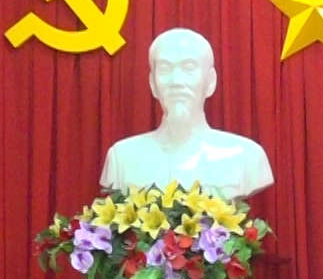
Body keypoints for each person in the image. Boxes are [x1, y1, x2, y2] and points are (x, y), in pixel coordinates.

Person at [99, 28, 273, 200]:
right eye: (165, 69)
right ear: (152, 83)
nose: (176, 81)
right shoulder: (122, 158)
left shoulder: (247, 157)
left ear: (211, 82)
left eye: (189, 68)